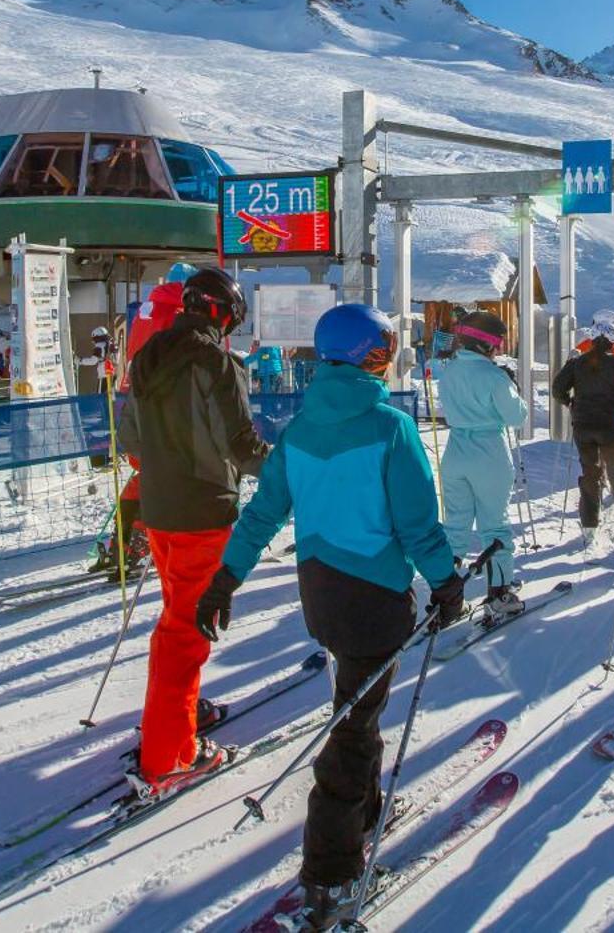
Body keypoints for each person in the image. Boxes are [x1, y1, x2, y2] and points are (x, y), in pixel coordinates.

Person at [196, 303, 466, 929]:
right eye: (388, 344)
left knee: (356, 706)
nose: (393, 353)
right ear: (372, 353)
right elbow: (417, 524)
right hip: (375, 600)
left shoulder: (299, 429)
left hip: (320, 592)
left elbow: (262, 514)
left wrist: (225, 578)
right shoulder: (390, 428)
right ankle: (331, 872)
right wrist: (446, 582)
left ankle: (364, 818)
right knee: (352, 730)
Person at [124, 266, 268, 795]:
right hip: (202, 516)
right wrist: (294, 466)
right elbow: (244, 449)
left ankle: (175, 719)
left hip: (160, 512)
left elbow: (130, 439)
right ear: (222, 314)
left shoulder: (146, 358)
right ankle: (168, 757)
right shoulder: (217, 363)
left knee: (177, 621)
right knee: (186, 635)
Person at [93, 265, 194, 578]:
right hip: (162, 409)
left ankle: (119, 540)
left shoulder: (147, 310)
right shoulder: (180, 314)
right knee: (171, 477)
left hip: (132, 403)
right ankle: (140, 537)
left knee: (145, 474)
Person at [434, 309, 528, 620]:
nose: (499, 349)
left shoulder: (448, 369)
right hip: (489, 451)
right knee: (495, 524)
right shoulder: (493, 376)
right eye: (497, 343)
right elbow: (517, 417)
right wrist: (512, 389)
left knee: (455, 526)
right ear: (486, 344)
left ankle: (446, 596)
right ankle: (498, 593)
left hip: (456, 448)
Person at [552, 312, 614, 549]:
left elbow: (557, 389)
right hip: (609, 429)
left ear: (592, 340)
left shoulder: (578, 363)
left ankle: (589, 527)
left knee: (589, 475)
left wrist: (570, 403)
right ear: (613, 342)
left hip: (583, 427)